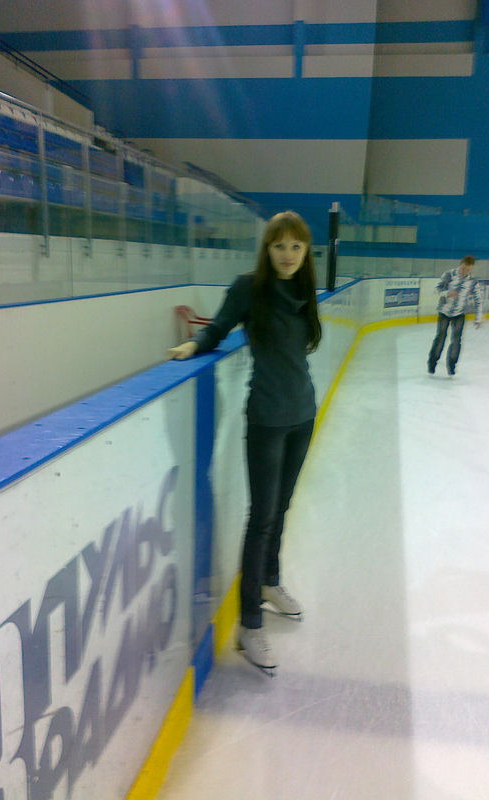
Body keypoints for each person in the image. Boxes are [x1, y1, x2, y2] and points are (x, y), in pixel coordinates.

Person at [167, 210, 322, 676]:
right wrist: (194, 345)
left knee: (283, 507)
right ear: (266, 248)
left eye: (296, 246)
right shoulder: (248, 288)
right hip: (268, 419)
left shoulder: (304, 289)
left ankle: (270, 581)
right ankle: (250, 623)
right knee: (262, 518)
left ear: (306, 251)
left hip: (303, 415)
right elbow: (218, 327)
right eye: (279, 246)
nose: (288, 254)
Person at [427, 255, 483, 376]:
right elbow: (436, 290)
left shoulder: (472, 282)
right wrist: (447, 293)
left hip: (459, 314)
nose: (465, 271)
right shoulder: (449, 275)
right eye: (464, 268)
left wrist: (478, 318)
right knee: (440, 338)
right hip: (444, 312)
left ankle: (451, 366)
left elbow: (478, 300)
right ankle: (432, 363)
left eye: (468, 270)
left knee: (456, 341)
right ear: (460, 264)